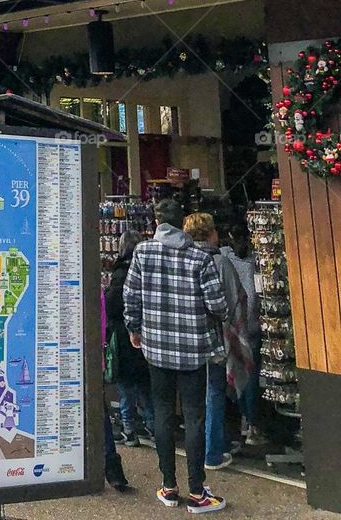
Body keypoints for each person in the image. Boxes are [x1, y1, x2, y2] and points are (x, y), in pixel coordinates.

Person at [123, 197, 228, 513]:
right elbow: (218, 305)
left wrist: (135, 328)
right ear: (183, 223)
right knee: (195, 416)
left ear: (157, 223)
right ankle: (197, 491)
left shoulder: (142, 252)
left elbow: (131, 295)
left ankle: (169, 486)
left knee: (163, 413)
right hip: (192, 349)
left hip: (156, 348)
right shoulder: (200, 258)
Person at [184, 213, 252, 472]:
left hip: (187, 339)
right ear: (210, 233)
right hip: (215, 338)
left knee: (195, 395)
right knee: (214, 392)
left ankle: (206, 446)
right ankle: (212, 452)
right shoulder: (220, 262)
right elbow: (235, 300)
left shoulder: (182, 259)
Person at [105, 229, 154, 445]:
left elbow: (113, 304)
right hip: (145, 333)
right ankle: (151, 425)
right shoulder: (147, 270)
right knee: (144, 383)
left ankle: (129, 428)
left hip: (124, 335)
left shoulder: (120, 273)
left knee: (125, 385)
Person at [223, 225, 262, 445]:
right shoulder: (254, 264)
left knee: (236, 373)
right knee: (251, 374)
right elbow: (254, 298)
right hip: (251, 326)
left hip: (231, 326)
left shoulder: (225, 259)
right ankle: (251, 423)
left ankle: (242, 419)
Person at [100, 286, 130, 491]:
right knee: (99, 412)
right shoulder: (94, 288)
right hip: (92, 358)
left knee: (98, 411)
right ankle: (111, 465)